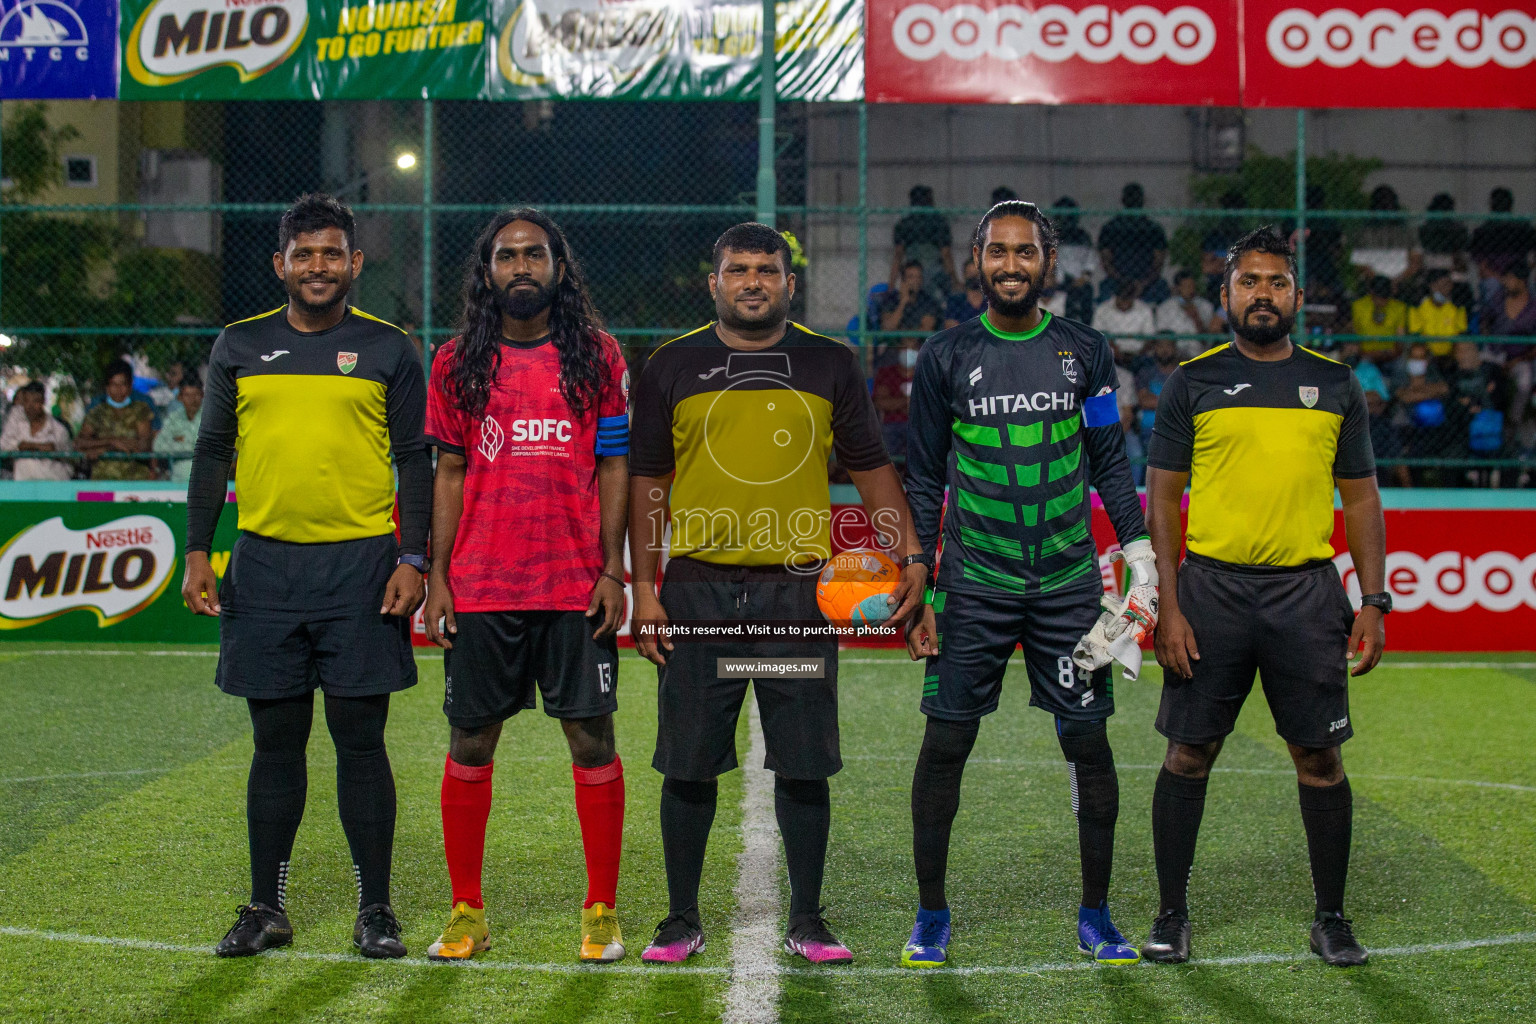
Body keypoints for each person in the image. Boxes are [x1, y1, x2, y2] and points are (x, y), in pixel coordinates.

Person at [627, 223, 927, 965]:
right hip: (697, 597)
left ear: (789, 283)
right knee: (688, 760)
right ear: (715, 282)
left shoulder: (828, 364)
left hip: (797, 599)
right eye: (738, 270)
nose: (753, 281)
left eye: (767, 270)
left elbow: (870, 468)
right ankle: (678, 918)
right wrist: (644, 585)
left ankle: (809, 918)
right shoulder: (671, 365)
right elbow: (648, 484)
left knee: (802, 760)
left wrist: (910, 553)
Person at [900, 201, 1155, 968]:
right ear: (977, 260)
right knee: (946, 742)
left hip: (1070, 588)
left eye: (1026, 253)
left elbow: (1110, 459)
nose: (1011, 265)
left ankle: (1096, 914)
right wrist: (919, 578)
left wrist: (1137, 551)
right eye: (997, 252)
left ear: (1049, 262)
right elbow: (924, 476)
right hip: (974, 585)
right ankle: (931, 914)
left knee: (1087, 743)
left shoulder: (1086, 351)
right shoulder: (943, 357)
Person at [180, 193, 429, 960]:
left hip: (361, 569)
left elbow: (415, 460)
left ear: (355, 263)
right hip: (263, 568)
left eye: (332, 253)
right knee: (275, 744)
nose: (317, 266)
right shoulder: (238, 345)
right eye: (304, 253)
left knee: (361, 743)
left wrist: (414, 559)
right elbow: (213, 452)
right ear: (279, 263)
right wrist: (197, 550)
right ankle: (266, 906)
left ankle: (376, 909)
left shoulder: (389, 348)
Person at [1141, 226, 1387, 968]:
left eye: (1276, 283)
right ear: (1226, 295)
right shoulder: (1193, 381)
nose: (1262, 294)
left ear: (1297, 297)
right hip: (1211, 591)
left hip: (1308, 595)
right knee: (1189, 752)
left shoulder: (1336, 383)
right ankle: (1171, 915)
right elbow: (1162, 504)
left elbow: (1364, 501)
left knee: (1319, 757)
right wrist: (1169, 605)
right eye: (1249, 282)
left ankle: (1331, 919)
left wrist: (1373, 599)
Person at [421, 209, 631, 963]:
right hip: (481, 584)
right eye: (505, 255)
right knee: (471, 740)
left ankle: (600, 908)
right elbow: (447, 471)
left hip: (575, 585)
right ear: (486, 273)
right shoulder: (454, 362)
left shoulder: (599, 356)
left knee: (591, 737)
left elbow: (615, 467)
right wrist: (437, 575)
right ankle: (466, 908)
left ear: (559, 267)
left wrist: (614, 570)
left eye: (534, 254)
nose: (520, 266)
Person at [74, 359, 154, 480]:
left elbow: (144, 444)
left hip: (135, 479)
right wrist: (111, 443)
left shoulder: (140, 410)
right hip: (101, 480)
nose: (118, 389)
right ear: (107, 387)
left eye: (123, 384)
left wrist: (101, 449)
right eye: (114, 384)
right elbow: (79, 443)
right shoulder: (97, 412)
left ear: (130, 385)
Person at [1098, 183, 1169, 304]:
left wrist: (1143, 284)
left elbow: (1158, 263)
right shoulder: (1110, 228)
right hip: (1117, 281)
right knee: (1105, 290)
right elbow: (1106, 262)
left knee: (1162, 290)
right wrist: (1123, 283)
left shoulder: (1153, 229)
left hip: (1148, 283)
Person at [891, 185, 957, 299]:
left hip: (918, 272)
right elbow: (946, 254)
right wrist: (954, 279)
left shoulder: (905, 223)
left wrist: (891, 284)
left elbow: (898, 255)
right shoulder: (939, 222)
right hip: (926, 272)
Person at [0, 381, 73, 481]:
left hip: (52, 483)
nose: (30, 407)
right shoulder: (16, 419)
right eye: (26, 401)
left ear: (43, 401)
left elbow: (70, 461)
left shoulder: (58, 430)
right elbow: (4, 446)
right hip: (23, 484)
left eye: (35, 401)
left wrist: (29, 447)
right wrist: (32, 446)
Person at [873, 337, 920, 460]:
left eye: (912, 348)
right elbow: (881, 402)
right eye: (905, 348)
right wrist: (909, 402)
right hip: (893, 424)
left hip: (919, 425)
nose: (908, 351)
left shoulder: (926, 372)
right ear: (899, 350)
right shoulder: (887, 373)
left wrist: (898, 403)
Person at [1053, 196, 1098, 324]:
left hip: (1080, 281)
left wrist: (1083, 278)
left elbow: (1090, 261)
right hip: (1059, 282)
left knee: (1086, 293)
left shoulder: (1083, 237)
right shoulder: (1051, 235)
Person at [152, 374, 204, 481]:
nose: (192, 400)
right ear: (180, 397)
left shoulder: (212, 418)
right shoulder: (173, 418)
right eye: (187, 395)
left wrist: (180, 442)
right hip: (178, 479)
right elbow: (158, 446)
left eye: (196, 395)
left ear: (202, 395)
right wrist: (191, 446)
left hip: (206, 478)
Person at [1154, 270, 1217, 357]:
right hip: (1173, 355)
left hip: (1199, 353)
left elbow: (1207, 340)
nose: (1190, 289)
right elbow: (1162, 337)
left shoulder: (1206, 306)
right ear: (1177, 288)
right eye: (1186, 286)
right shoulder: (1165, 308)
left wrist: (1195, 317)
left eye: (1192, 286)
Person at [1407, 269, 1467, 358]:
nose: (1445, 289)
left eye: (1448, 285)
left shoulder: (1457, 307)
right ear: (1431, 286)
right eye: (1441, 285)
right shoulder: (1418, 307)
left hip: (1451, 352)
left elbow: (1461, 333)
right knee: (1417, 350)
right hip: (1428, 352)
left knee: (1464, 347)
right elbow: (1416, 335)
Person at [1093, 279, 1157, 361]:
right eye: (1122, 298)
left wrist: (1139, 354)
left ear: (1134, 296)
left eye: (1128, 298)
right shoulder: (1102, 310)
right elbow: (1097, 336)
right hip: (1110, 354)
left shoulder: (1144, 310)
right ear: (1115, 295)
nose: (1125, 303)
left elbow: (1150, 338)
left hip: (1139, 355)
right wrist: (1113, 350)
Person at [880, 260, 943, 343]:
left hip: (919, 346)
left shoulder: (928, 301)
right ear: (903, 281)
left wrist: (899, 332)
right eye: (911, 277)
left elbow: (925, 330)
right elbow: (887, 328)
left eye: (919, 277)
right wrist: (903, 302)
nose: (916, 280)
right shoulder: (891, 300)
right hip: (897, 346)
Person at [1350, 276, 1408, 362]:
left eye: (1385, 296)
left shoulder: (1399, 307)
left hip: (1390, 354)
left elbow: (1400, 336)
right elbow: (1354, 333)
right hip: (1365, 354)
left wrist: (1392, 353)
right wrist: (1364, 352)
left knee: (1401, 363)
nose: (1382, 300)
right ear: (1371, 292)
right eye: (1379, 296)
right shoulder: (1358, 306)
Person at [1136, 336, 1181, 446]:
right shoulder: (1146, 373)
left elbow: (1187, 403)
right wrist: (1174, 402)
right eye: (1160, 346)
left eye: (1168, 346)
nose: (1165, 350)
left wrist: (1155, 400)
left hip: (1178, 428)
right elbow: (1144, 401)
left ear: (1175, 349)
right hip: (1149, 429)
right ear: (1154, 349)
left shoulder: (1182, 373)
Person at [942, 258, 985, 328]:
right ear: (964, 276)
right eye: (970, 273)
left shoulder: (991, 301)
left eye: (976, 274)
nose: (973, 277)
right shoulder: (955, 301)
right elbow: (951, 328)